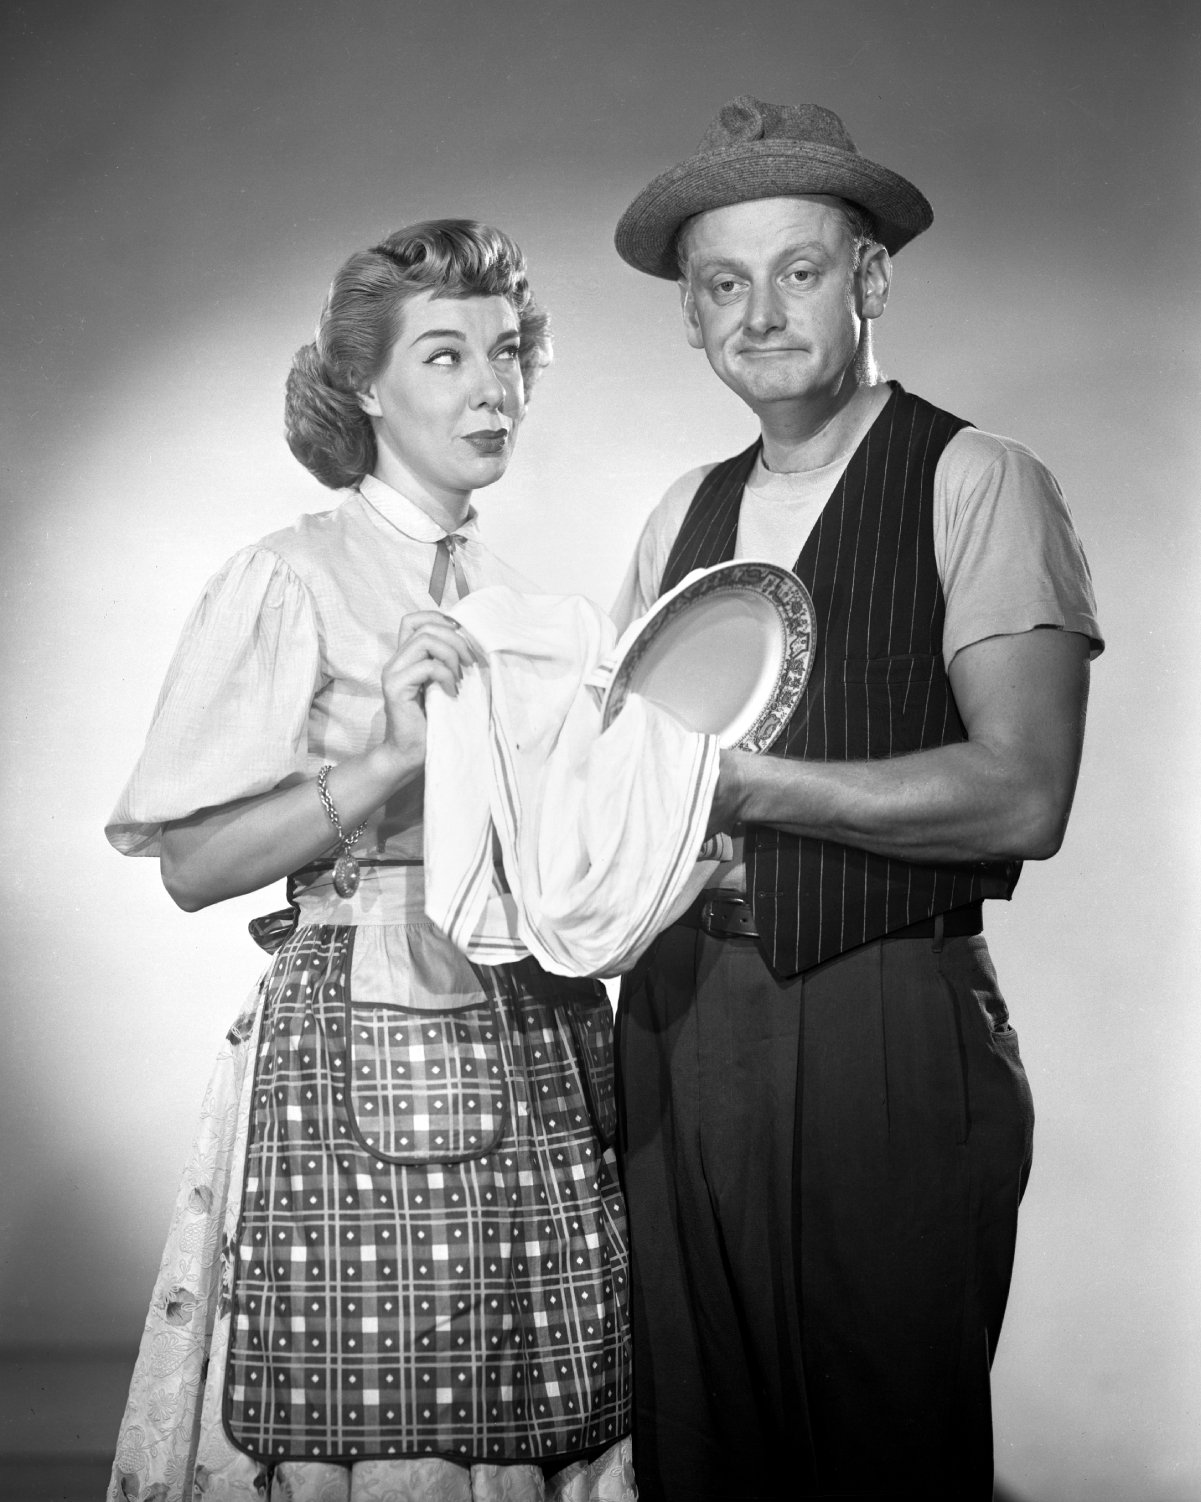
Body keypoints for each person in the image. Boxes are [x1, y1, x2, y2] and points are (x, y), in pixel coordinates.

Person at [610, 97, 1102, 1501]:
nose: (759, 313)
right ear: (691, 318)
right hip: (679, 1011)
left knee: (884, 1451)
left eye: (798, 270)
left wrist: (746, 787)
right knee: (697, 1448)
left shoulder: (977, 477)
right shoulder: (678, 514)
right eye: (723, 284)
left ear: (869, 278)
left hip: (881, 1011)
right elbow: (620, 783)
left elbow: (1023, 794)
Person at [105, 220, 634, 1502]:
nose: (492, 389)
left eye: (507, 354)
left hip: (539, 1037)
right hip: (364, 1032)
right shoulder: (290, 577)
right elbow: (192, 864)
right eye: (445, 355)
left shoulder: (525, 605)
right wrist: (392, 759)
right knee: (377, 1417)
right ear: (365, 384)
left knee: (543, 1405)